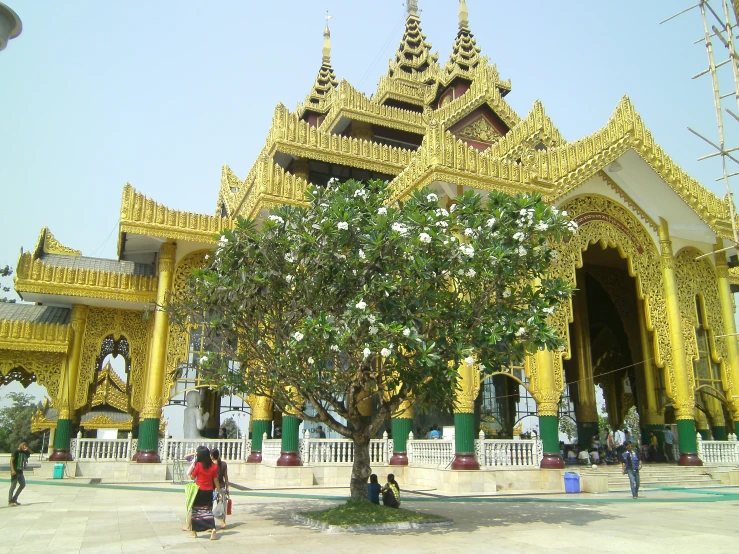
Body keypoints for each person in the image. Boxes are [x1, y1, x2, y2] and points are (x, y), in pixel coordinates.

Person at [186, 446, 220, 540]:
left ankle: (194, 532)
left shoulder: (198, 465)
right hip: (209, 491)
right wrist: (219, 492)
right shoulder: (214, 466)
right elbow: (216, 480)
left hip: (199, 491)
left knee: (196, 511)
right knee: (208, 511)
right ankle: (213, 529)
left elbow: (192, 477)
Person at [210, 448, 229, 530]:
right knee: (222, 505)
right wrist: (227, 487)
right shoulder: (223, 464)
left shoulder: (210, 465)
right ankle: (223, 522)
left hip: (212, 487)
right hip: (221, 487)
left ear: (212, 456)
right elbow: (226, 477)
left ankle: (210, 523)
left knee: (209, 506)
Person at [8, 442, 30, 507]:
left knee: (23, 484)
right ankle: (10, 501)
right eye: (23, 444)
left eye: (25, 445)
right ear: (20, 444)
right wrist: (12, 470)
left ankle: (14, 499)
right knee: (13, 486)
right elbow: (11, 460)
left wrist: (27, 449)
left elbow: (31, 453)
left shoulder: (24, 452)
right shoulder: (15, 451)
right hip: (15, 471)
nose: (24, 446)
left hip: (20, 471)